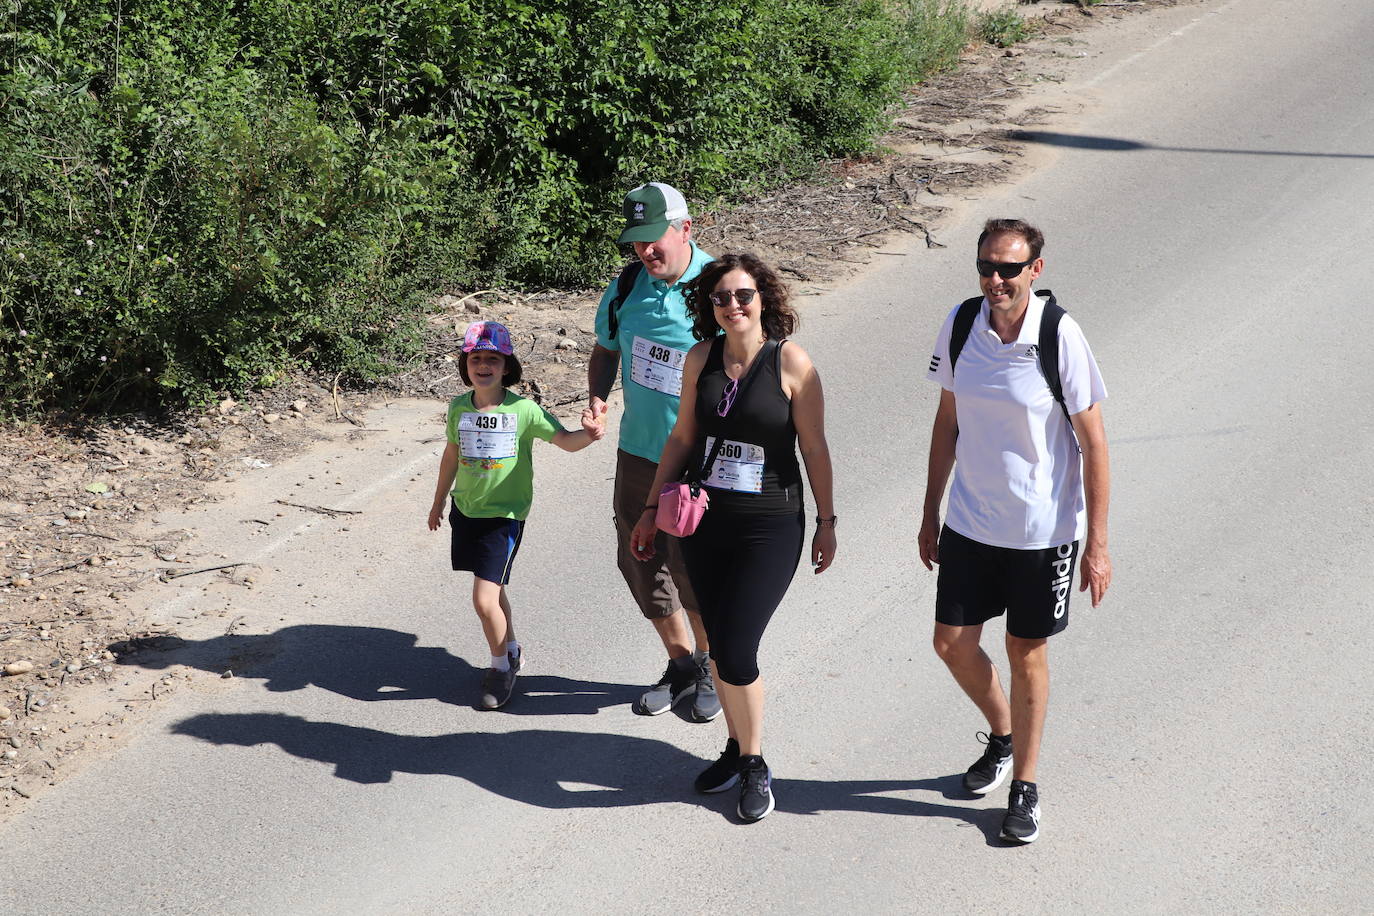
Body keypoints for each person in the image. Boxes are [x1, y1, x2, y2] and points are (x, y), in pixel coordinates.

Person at [919, 218, 1111, 844]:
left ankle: (1025, 786)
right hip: (972, 521)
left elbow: (1094, 443)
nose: (995, 279)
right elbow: (946, 423)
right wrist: (929, 512)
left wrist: (1097, 543)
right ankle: (1003, 736)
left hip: (1042, 530)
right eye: (986, 267)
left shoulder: (1059, 335)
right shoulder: (960, 323)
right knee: (950, 643)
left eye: (1008, 268)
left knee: (1025, 653)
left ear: (1036, 270)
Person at [630, 252, 836, 823]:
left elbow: (814, 448)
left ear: (764, 297)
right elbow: (681, 437)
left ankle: (755, 766)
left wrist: (827, 522)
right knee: (720, 646)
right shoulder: (701, 358)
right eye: (720, 298)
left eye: (743, 295)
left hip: (771, 525)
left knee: (738, 648)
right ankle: (736, 746)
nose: (733, 306)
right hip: (707, 522)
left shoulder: (791, 363)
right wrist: (651, 507)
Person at [583, 182, 721, 722]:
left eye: (654, 239)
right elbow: (606, 348)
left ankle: (709, 664)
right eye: (637, 242)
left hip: (701, 462)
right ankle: (682, 662)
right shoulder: (624, 289)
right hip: (639, 453)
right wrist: (597, 395)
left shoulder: (721, 290)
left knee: (695, 570)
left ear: (686, 228)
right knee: (642, 563)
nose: (646, 252)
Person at [429, 321, 604, 709]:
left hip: (505, 516)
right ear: (466, 364)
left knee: (484, 599)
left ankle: (500, 668)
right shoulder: (459, 407)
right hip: (466, 510)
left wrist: (588, 435)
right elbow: (451, 456)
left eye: (493, 359)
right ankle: (511, 649)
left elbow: (564, 441)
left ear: (507, 366)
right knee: (494, 588)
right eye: (477, 358)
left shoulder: (524, 410)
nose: (484, 365)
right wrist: (439, 499)